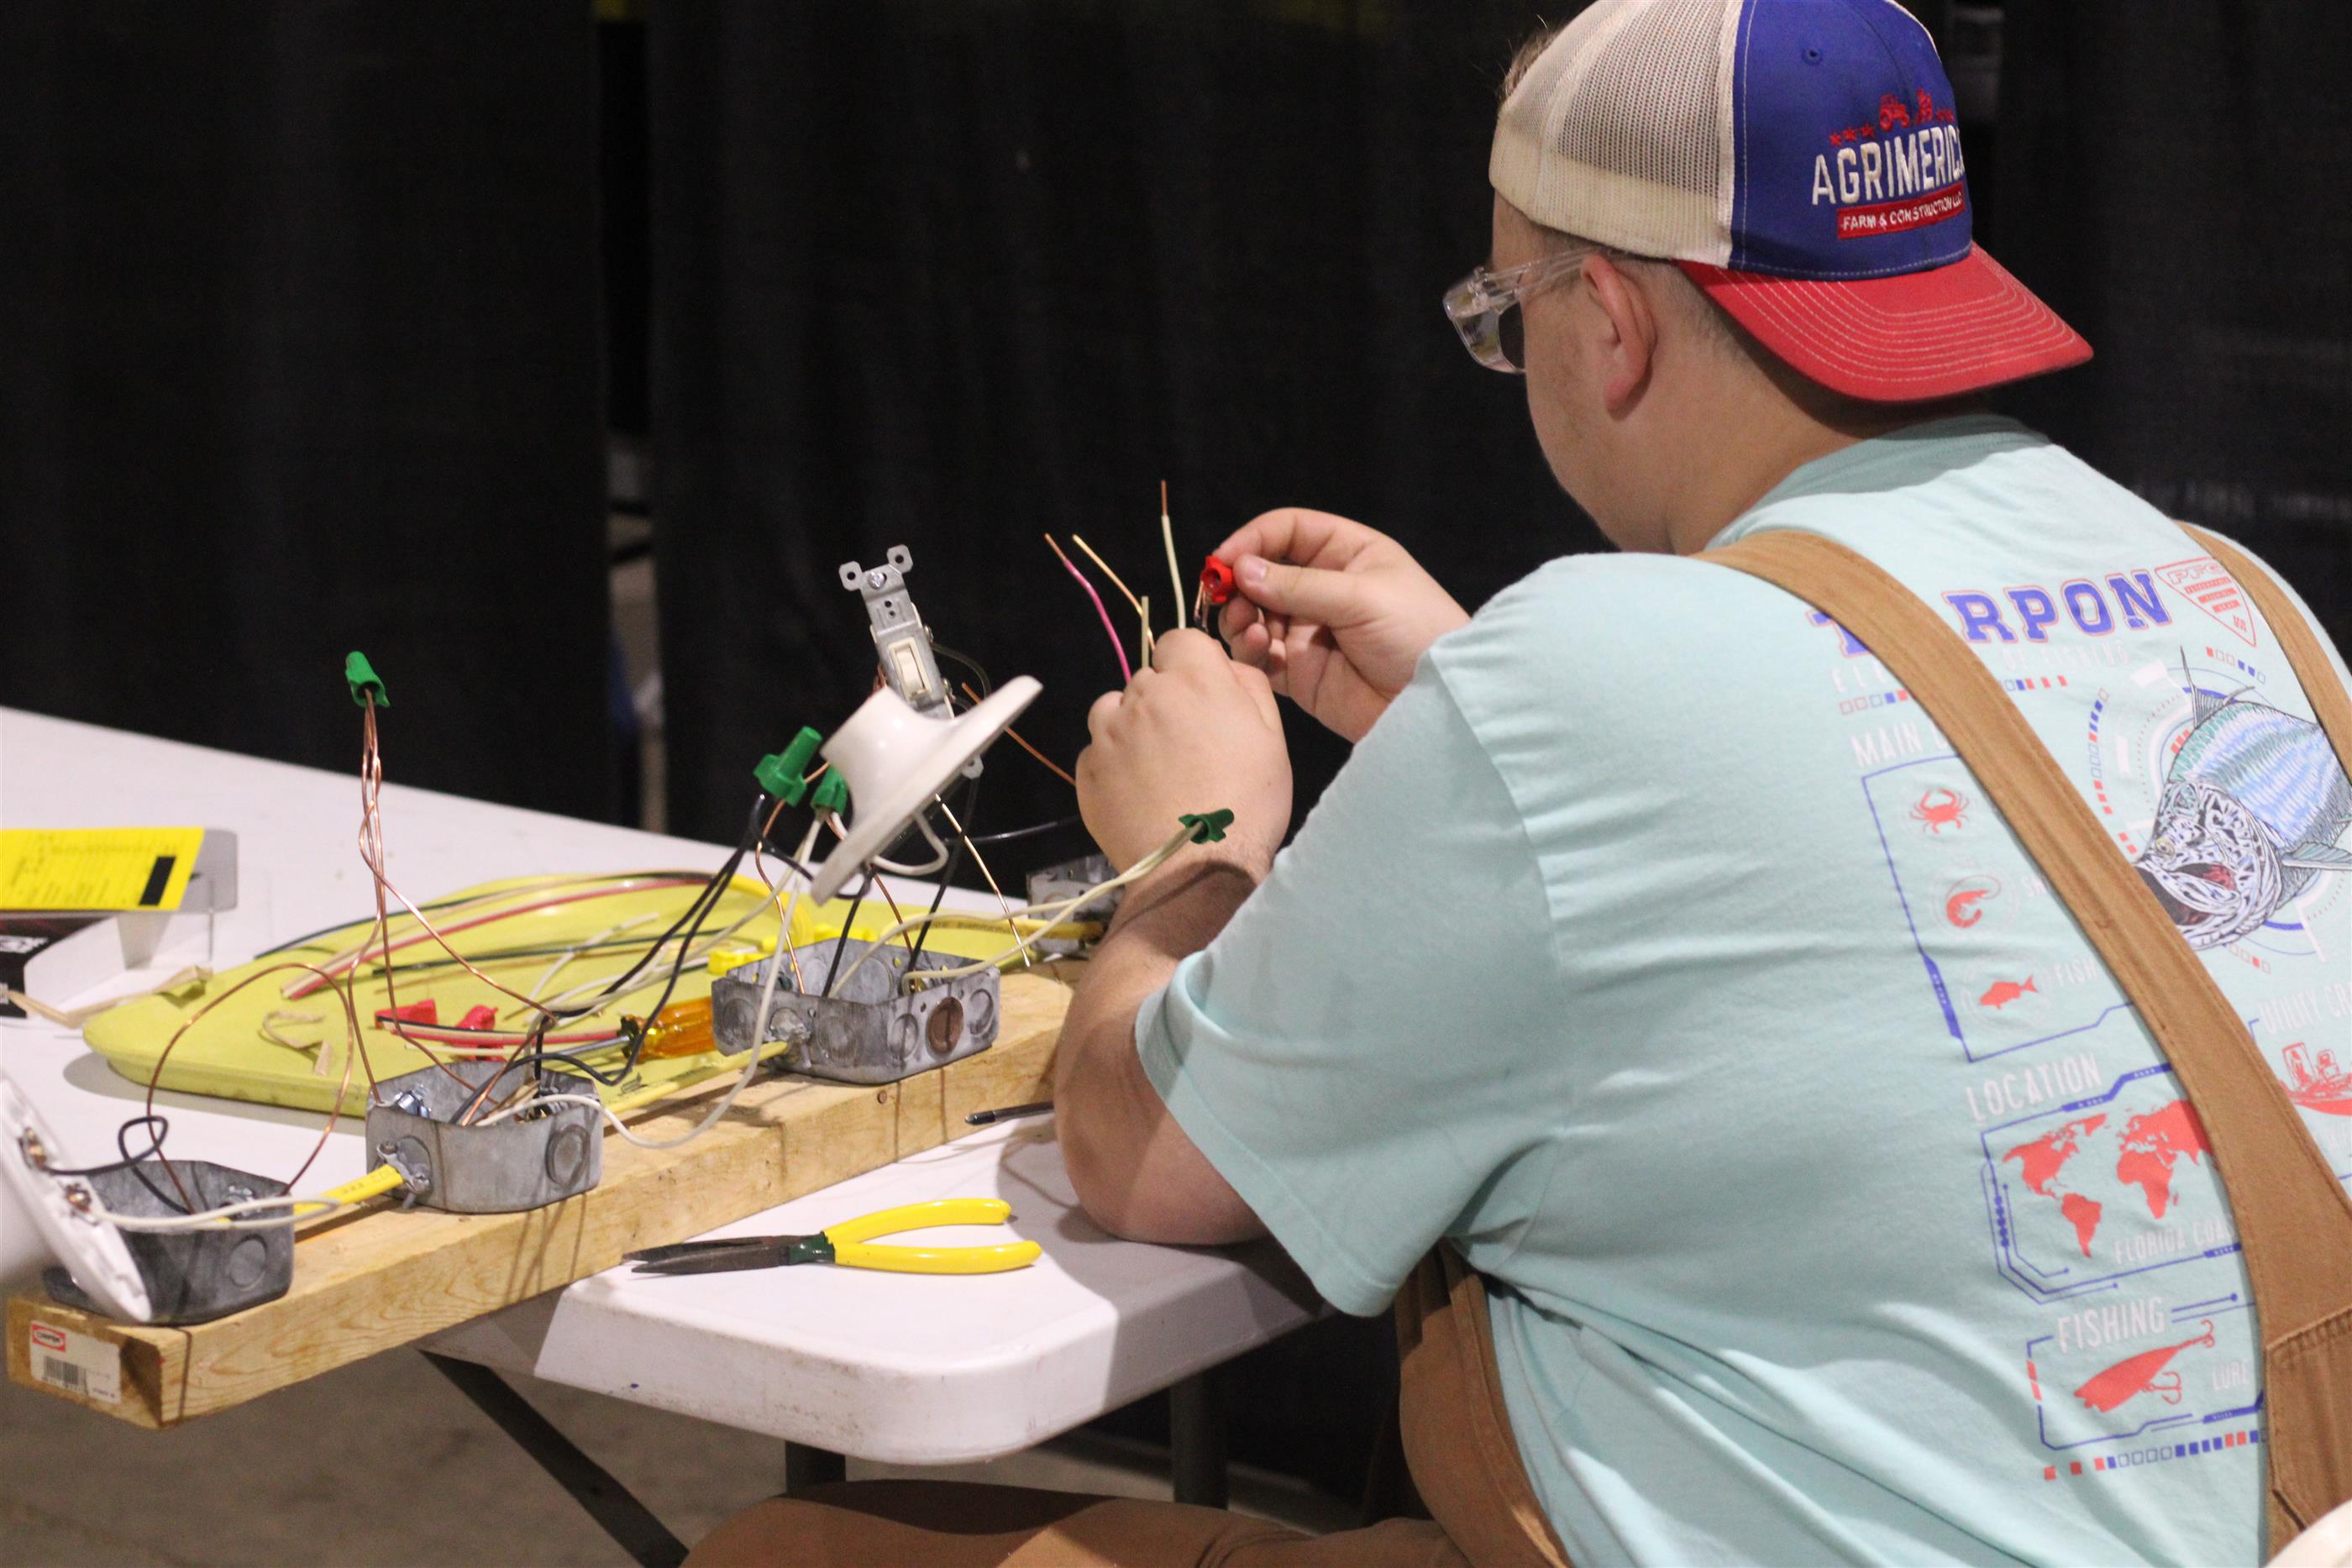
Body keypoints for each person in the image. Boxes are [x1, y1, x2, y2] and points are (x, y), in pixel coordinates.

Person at [693, 3, 2352, 1562]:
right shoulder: (2244, 609)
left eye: (1504, 315)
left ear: (1611, 322)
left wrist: (1195, 852)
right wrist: (1469, 709)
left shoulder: (1586, 674)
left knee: (782, 1551)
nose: (1512, 359)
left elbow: (1141, 1159)